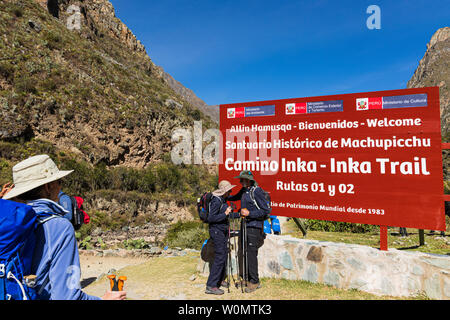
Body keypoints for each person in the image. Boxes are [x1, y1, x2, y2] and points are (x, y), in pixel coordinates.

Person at [2, 154, 126, 300]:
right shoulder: (59, 227)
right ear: (49, 187)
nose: (60, 186)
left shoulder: (5, 222)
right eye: (59, 181)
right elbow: (66, 296)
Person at [227, 170, 271, 293]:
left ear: (248, 180)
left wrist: (249, 213)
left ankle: (255, 281)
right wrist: (224, 195)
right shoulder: (244, 190)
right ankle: (246, 279)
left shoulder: (256, 191)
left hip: (254, 227)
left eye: (242, 179)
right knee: (244, 252)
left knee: (251, 254)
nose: (240, 181)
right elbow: (234, 197)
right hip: (245, 225)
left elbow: (266, 211)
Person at [205, 180, 240, 295]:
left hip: (222, 231)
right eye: (229, 190)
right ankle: (211, 285)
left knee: (223, 255)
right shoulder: (216, 201)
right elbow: (211, 218)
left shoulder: (222, 200)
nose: (231, 192)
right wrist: (225, 214)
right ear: (224, 191)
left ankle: (219, 280)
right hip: (217, 231)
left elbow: (226, 215)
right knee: (220, 257)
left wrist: (239, 215)